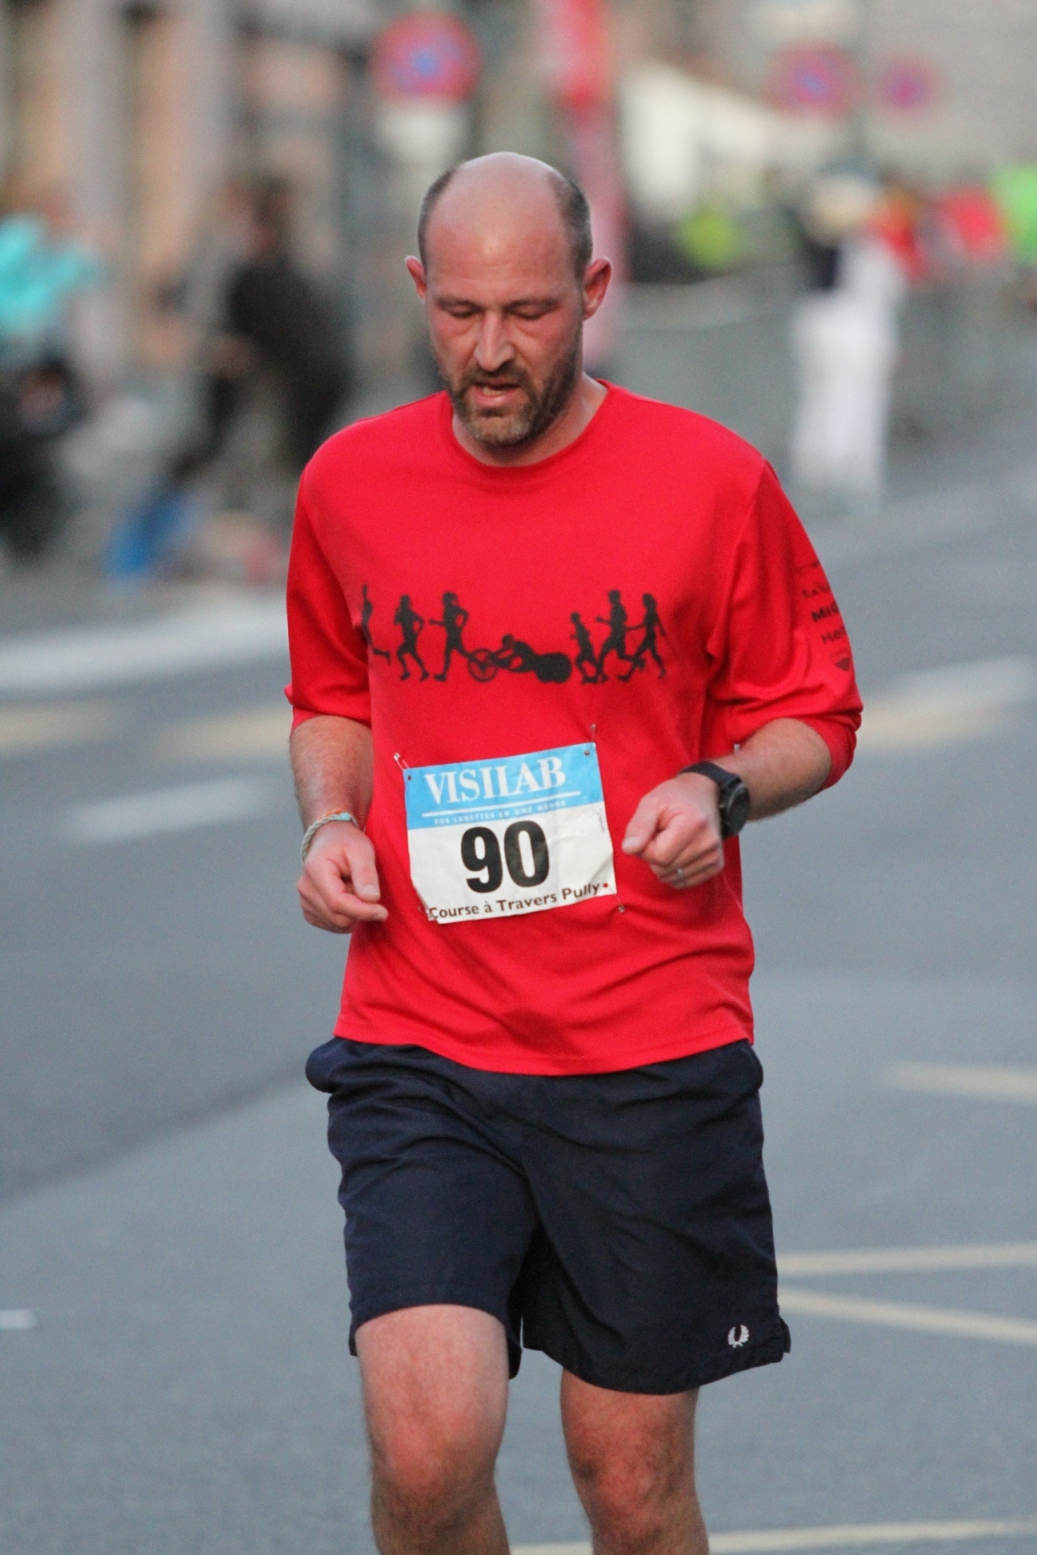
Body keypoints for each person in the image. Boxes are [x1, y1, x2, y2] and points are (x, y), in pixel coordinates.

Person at [286, 153, 861, 1555]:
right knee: (425, 1454)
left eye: (530, 312)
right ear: (418, 290)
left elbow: (817, 713)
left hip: (648, 1046)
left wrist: (719, 788)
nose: (492, 351)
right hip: (421, 1039)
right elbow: (332, 693)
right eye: (461, 312)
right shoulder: (350, 481)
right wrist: (331, 819)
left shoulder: (709, 480)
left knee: (630, 1489)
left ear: (594, 291)